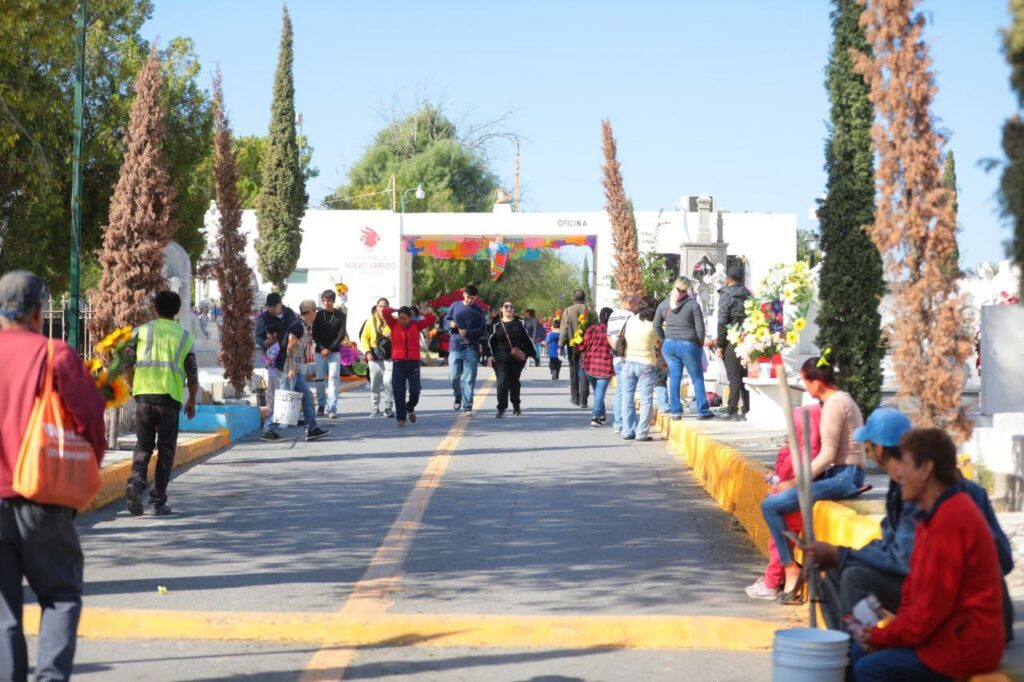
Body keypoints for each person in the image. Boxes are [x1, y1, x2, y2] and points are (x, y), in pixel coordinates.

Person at [804, 407, 1015, 639]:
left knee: (855, 576)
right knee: (842, 572)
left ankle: (856, 654)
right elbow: (893, 544)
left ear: (879, 449)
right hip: (968, 602)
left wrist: (841, 555)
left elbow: (906, 558)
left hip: (971, 615)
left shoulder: (930, 495)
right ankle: (850, 646)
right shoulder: (909, 488)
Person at [0, 271, 106, 681]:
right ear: (39, 311)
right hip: (43, 496)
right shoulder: (55, 355)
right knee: (60, 596)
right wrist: (81, 476)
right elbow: (92, 423)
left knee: (4, 611)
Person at [849, 429, 1006, 682]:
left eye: (907, 465)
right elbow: (915, 591)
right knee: (856, 651)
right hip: (944, 634)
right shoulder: (930, 515)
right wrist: (881, 635)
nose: (899, 473)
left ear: (926, 470)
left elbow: (929, 608)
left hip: (964, 644)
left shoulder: (952, 518)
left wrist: (882, 637)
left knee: (869, 669)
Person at [760, 354, 865, 600]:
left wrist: (796, 481)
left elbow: (827, 454)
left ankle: (788, 567)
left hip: (844, 476)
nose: (807, 389)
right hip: (842, 473)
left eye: (806, 383)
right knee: (777, 500)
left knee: (770, 506)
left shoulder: (835, 404)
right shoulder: (840, 400)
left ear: (817, 383)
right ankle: (784, 568)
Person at [124, 291, 200, 516]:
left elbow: (127, 363)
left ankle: (135, 484)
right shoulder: (185, 337)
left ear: (155, 308)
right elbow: (192, 373)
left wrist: (132, 387)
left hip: (143, 396)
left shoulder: (140, 332)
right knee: (166, 450)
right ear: (177, 311)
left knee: (143, 446)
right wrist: (192, 400)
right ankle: (157, 501)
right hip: (170, 398)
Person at [745, 404, 823, 600]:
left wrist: (786, 452)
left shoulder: (801, 454)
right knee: (781, 545)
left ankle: (771, 584)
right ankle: (775, 580)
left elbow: (787, 473)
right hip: (792, 507)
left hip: (788, 510)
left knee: (779, 547)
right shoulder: (812, 452)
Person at [264, 300, 330, 442]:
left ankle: (311, 428)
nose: (316, 314)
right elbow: (289, 347)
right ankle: (267, 430)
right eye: (315, 311)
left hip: (294, 368)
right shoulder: (299, 326)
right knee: (285, 401)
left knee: (307, 396)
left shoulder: (301, 325)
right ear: (311, 311)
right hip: (289, 368)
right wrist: (292, 367)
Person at [654, 277, 714, 421]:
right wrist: (699, 344)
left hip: (669, 346)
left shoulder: (663, 305)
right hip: (688, 344)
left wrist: (665, 339)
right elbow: (700, 328)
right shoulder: (693, 305)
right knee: (697, 378)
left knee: (675, 378)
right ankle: (703, 411)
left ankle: (675, 411)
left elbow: (656, 326)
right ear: (688, 289)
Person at [380, 305, 436, 427]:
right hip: (398, 364)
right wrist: (397, 309)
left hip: (413, 364)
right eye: (400, 318)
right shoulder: (393, 324)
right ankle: (401, 418)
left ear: (410, 317)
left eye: (405, 318)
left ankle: (410, 407)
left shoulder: (417, 325)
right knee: (398, 392)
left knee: (415, 390)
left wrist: (420, 311)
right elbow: (385, 311)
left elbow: (432, 318)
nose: (402, 321)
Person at [485, 300, 537, 417]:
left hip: (516, 359)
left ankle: (516, 405)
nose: (509, 309)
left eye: (511, 307)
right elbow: (488, 341)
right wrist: (489, 355)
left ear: (513, 310)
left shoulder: (519, 323)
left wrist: (533, 355)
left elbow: (527, 339)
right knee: (502, 382)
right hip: (500, 358)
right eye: (506, 306)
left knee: (514, 382)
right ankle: (501, 408)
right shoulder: (495, 324)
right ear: (501, 309)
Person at [620, 298, 660, 441]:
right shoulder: (654, 326)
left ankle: (628, 431)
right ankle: (642, 433)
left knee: (627, 398)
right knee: (646, 400)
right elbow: (659, 342)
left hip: (628, 362)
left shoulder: (630, 320)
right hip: (646, 364)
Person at [444, 285, 487, 415]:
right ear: (464, 295)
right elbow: (446, 320)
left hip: (471, 347)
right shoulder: (455, 305)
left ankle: (467, 406)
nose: (470, 301)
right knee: (453, 376)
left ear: (476, 298)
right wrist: (450, 324)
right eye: (468, 298)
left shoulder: (479, 311)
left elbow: (482, 330)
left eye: (473, 299)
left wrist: (468, 332)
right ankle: (458, 395)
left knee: (469, 378)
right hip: (455, 346)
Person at [715, 266, 750, 421]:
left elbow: (722, 320)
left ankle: (732, 409)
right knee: (744, 374)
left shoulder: (725, 294)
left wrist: (719, 344)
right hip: (748, 338)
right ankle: (747, 407)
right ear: (742, 279)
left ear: (728, 279)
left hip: (731, 338)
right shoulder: (748, 294)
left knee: (734, 375)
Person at [312, 289, 348, 419]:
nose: (327, 303)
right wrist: (322, 348)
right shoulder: (318, 315)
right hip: (319, 352)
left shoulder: (340, 315)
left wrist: (330, 349)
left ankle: (332, 408)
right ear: (322, 301)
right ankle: (321, 405)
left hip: (334, 352)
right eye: (325, 300)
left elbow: (341, 334)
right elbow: (314, 334)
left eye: (330, 300)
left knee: (333, 380)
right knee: (320, 380)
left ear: (334, 301)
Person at [607, 294, 639, 434]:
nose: (638, 307)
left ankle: (618, 423)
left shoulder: (612, 315)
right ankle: (627, 425)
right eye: (637, 303)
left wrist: (616, 348)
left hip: (616, 357)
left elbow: (609, 336)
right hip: (627, 357)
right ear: (630, 303)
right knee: (628, 393)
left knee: (620, 391)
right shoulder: (630, 317)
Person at [359, 299, 394, 418]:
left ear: (389, 307)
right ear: (376, 307)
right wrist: (367, 352)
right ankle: (375, 407)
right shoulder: (370, 320)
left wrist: (392, 335)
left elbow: (401, 337)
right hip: (374, 355)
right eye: (380, 306)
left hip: (389, 356)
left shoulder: (394, 321)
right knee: (374, 383)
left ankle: (388, 407)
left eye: (385, 306)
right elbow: (364, 337)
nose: (383, 308)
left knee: (388, 382)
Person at [581, 307, 615, 427]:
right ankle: (596, 416)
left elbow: (582, 347)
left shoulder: (591, 329)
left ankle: (601, 414)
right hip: (605, 367)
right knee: (599, 392)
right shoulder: (612, 332)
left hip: (589, 366)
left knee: (598, 392)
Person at [559, 289, 590, 408]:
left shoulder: (568, 311)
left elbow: (564, 329)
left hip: (572, 345)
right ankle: (583, 400)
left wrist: (561, 345)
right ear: (584, 298)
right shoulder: (589, 310)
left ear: (573, 298)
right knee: (585, 370)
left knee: (573, 370)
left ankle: (575, 398)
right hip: (587, 345)